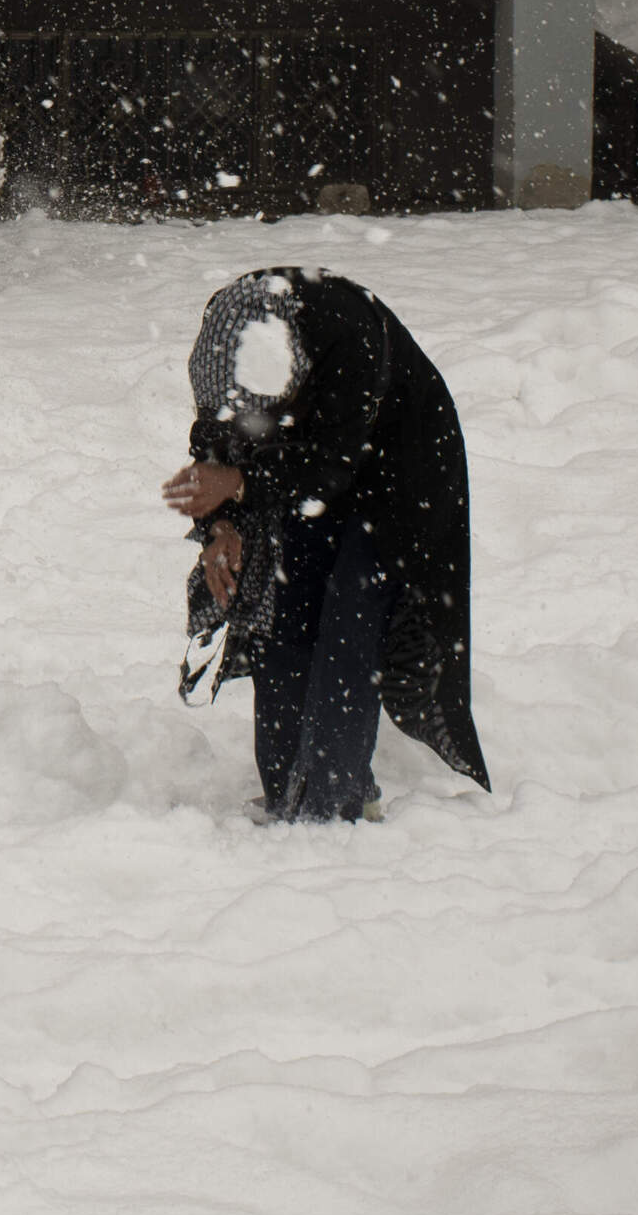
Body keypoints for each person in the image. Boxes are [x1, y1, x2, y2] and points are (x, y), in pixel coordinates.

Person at [162, 268, 489, 825]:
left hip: (399, 483)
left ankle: (337, 805)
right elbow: (219, 444)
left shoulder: (346, 330)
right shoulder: (228, 330)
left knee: (350, 623)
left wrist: (241, 483)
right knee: (280, 604)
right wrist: (223, 528)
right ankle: (287, 789)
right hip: (309, 475)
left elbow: (332, 459)